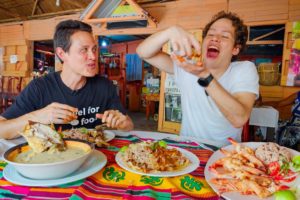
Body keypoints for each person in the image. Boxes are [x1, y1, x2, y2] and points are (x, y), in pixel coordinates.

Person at [137, 11, 259, 146]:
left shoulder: (243, 70)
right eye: (210, 34)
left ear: (235, 48)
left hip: (224, 155)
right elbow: (143, 52)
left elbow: (239, 118)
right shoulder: (188, 66)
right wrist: (170, 31)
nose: (215, 38)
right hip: (188, 150)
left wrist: (205, 76)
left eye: (224, 36)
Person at [0, 20, 134, 139]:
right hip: (53, 160)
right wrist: (37, 117)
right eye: (84, 50)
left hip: (93, 157)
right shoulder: (39, 87)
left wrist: (122, 123)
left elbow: (129, 125)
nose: (93, 56)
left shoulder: (104, 86)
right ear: (62, 54)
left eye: (94, 49)